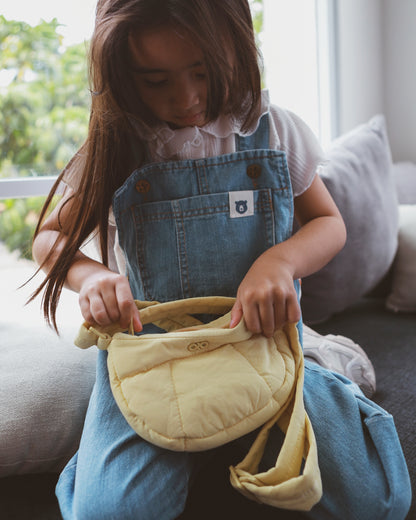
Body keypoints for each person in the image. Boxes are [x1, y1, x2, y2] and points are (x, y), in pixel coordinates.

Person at [31, 1, 411, 518]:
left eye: (203, 71)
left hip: (263, 344)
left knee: (377, 501)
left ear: (236, 48)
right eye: (155, 80)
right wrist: (91, 275)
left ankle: (320, 371)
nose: (186, 98)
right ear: (122, 76)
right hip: (155, 360)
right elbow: (50, 237)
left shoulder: (274, 130)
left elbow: (329, 223)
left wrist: (279, 263)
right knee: (110, 512)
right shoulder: (118, 145)